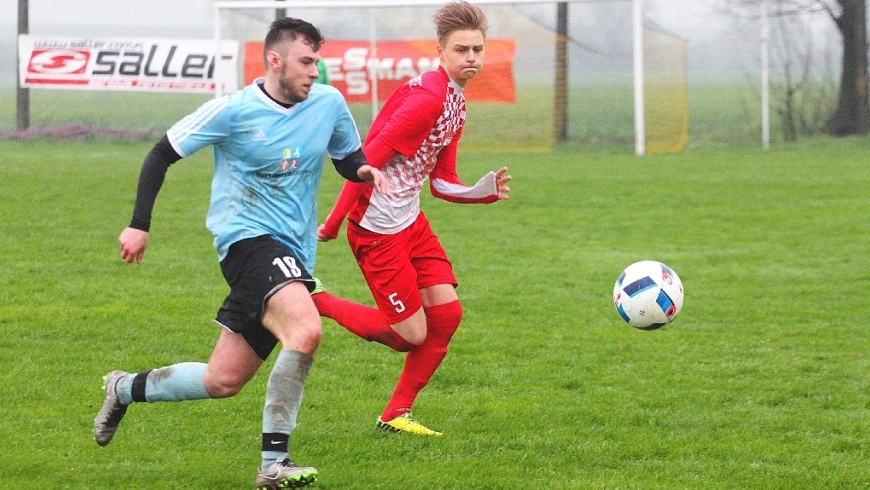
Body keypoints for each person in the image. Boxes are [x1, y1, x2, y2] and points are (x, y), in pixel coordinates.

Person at [94, 17, 388, 490]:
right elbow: (160, 154)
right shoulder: (232, 111)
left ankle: (123, 388)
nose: (315, 71)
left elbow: (345, 156)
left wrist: (364, 171)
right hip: (245, 241)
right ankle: (274, 464)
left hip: (294, 252)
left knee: (222, 381)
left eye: (318, 61)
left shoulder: (329, 104)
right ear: (275, 60)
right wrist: (139, 224)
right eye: (306, 61)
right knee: (306, 328)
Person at [313, 1, 511, 437]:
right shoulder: (426, 100)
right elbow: (365, 164)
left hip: (411, 224)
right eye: (462, 50)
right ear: (441, 51)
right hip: (378, 231)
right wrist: (330, 225)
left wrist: (481, 194)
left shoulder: (455, 102)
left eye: (478, 49)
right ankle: (317, 302)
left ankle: (395, 415)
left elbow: (442, 182)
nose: (472, 58)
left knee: (447, 315)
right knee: (410, 335)